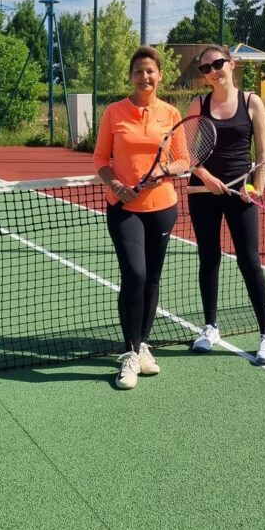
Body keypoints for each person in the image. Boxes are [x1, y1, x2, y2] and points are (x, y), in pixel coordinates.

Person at [94, 45, 185, 390]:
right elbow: (100, 160)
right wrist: (117, 186)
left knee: (152, 279)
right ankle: (130, 353)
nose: (144, 77)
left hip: (162, 207)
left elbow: (183, 160)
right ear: (130, 76)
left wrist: (165, 169)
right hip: (124, 209)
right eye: (138, 71)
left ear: (160, 76)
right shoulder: (114, 113)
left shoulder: (171, 113)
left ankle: (143, 344)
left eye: (150, 71)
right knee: (135, 274)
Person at [186, 45, 265, 365]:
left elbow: (263, 152)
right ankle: (210, 327)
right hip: (202, 192)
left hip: (242, 194)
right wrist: (206, 177)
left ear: (231, 63)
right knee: (208, 258)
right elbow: (187, 153)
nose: (212, 71)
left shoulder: (252, 102)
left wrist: (257, 188)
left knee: (249, 261)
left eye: (217, 64)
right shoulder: (198, 104)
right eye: (205, 68)